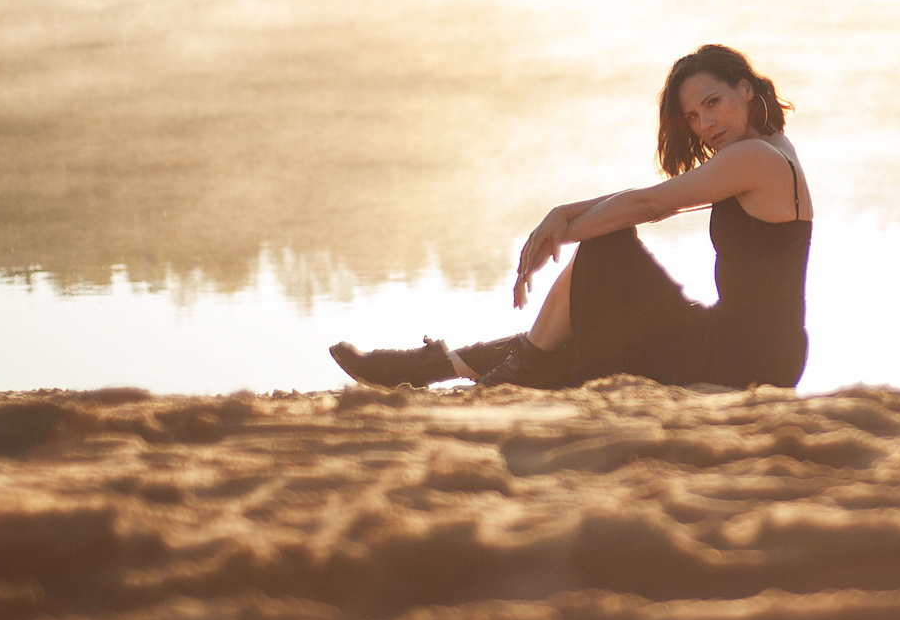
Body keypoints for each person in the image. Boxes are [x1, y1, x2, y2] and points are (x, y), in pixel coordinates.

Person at [328, 44, 812, 390]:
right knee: (585, 301)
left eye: (712, 104)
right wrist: (562, 215)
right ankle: (439, 364)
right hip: (753, 345)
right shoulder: (767, 149)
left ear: (744, 88)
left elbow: (650, 205)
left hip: (747, 358)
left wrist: (562, 235)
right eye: (692, 116)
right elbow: (648, 197)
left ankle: (497, 368)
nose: (705, 124)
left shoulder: (754, 158)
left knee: (605, 247)